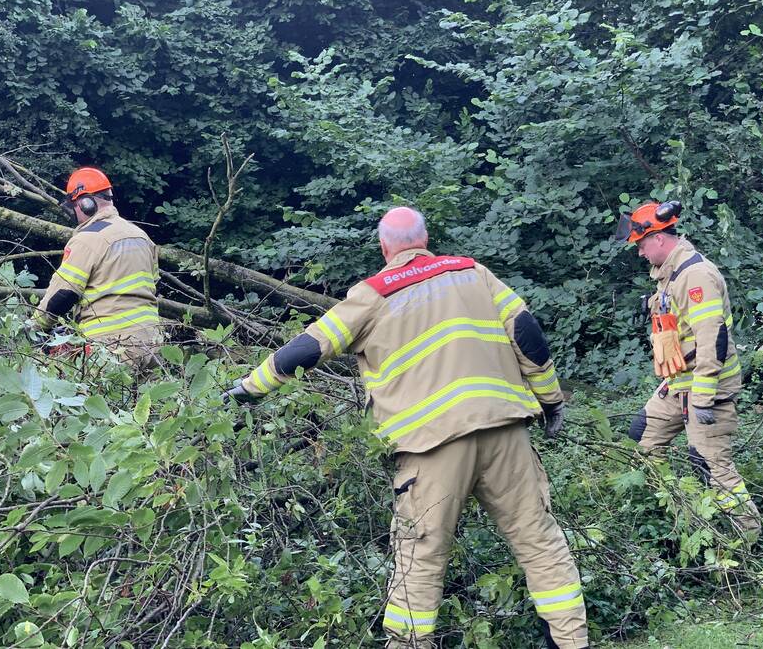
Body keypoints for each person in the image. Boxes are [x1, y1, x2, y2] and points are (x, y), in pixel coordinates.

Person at [224, 207, 589, 649]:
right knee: (540, 543)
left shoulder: (373, 294)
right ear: (425, 238)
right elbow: (529, 336)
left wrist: (249, 387)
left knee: (420, 560)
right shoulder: (473, 272)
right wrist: (550, 401)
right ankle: (572, 642)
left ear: (384, 248)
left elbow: (306, 349)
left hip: (431, 449)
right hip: (504, 431)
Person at [615, 200, 760, 540]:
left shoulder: (695, 276)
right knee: (641, 442)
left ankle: (746, 542)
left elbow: (713, 339)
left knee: (712, 469)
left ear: (660, 239)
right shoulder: (670, 275)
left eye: (641, 245)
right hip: (678, 383)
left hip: (705, 389)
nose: (639, 253)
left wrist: (704, 398)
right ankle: (671, 520)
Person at [32, 167, 162, 372]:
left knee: (95, 402)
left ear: (85, 203)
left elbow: (63, 293)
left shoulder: (88, 239)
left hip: (112, 347)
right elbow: (155, 286)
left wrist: (36, 327)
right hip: (152, 342)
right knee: (149, 403)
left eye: (74, 206)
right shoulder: (140, 235)